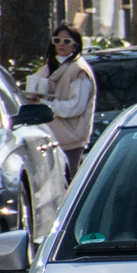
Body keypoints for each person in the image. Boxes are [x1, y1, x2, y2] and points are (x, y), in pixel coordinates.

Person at [24, 24, 96, 177]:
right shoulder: (50, 67)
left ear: (76, 45)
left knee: (70, 182)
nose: (61, 45)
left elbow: (75, 107)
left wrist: (45, 104)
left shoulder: (79, 71)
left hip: (71, 140)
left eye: (67, 41)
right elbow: (35, 84)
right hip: (49, 138)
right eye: (57, 40)